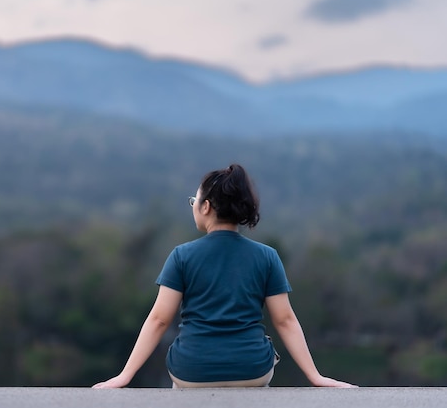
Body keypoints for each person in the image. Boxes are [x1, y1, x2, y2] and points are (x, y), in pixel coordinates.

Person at [93, 163, 356, 389]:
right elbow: (285, 320)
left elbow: (160, 320)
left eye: (194, 201)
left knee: (181, 385)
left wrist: (125, 376)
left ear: (206, 207)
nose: (193, 206)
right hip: (252, 371)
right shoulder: (267, 256)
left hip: (191, 371)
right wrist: (314, 376)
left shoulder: (182, 256)